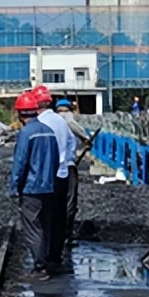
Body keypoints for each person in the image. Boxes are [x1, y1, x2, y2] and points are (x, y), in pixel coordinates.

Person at [10, 90, 60, 281]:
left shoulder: (26, 133)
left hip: (31, 188)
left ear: (20, 113)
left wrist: (14, 186)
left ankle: (40, 267)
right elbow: (56, 160)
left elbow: (20, 161)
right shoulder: (49, 131)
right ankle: (46, 261)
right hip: (49, 186)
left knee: (32, 228)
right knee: (45, 226)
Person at [32, 86, 75, 272]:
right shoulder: (61, 121)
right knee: (59, 217)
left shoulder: (39, 123)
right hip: (62, 174)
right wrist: (65, 160)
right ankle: (55, 256)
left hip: (45, 176)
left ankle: (43, 257)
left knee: (43, 218)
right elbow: (72, 143)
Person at [56, 98, 90, 246]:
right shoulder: (67, 119)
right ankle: (66, 235)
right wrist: (85, 138)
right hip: (67, 166)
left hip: (52, 167)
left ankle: (54, 234)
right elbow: (72, 124)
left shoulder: (51, 122)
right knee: (69, 202)